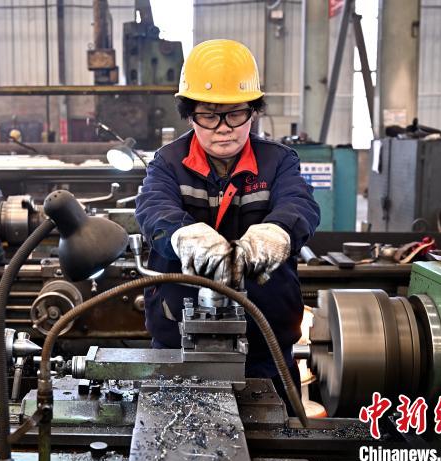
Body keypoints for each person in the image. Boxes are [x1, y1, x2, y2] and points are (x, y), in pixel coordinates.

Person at [135, 39, 320, 408]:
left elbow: (299, 203)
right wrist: (184, 236)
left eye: (235, 114)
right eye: (209, 115)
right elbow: (153, 207)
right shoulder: (167, 163)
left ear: (253, 112)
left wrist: (275, 233)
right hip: (177, 344)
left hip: (266, 345)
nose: (223, 128)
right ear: (190, 114)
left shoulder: (278, 162)